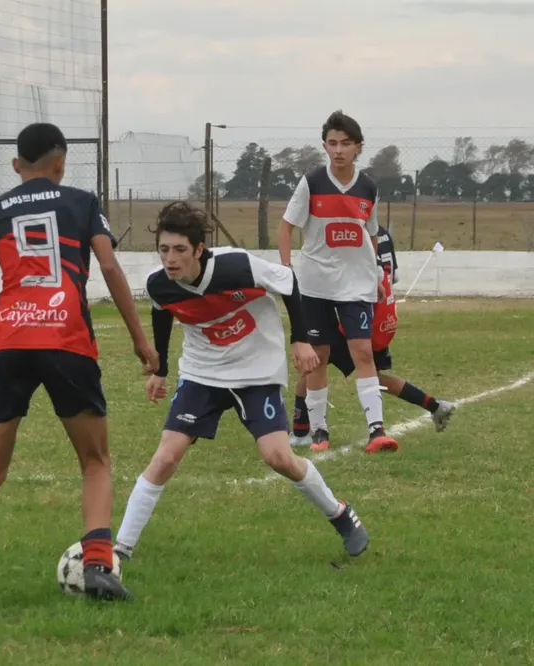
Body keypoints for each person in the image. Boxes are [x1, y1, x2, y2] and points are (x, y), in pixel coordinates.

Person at [0, 123, 159, 607]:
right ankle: (98, 567)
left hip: (10, 343)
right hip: (66, 339)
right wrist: (140, 342)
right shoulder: (82, 202)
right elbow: (109, 268)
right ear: (61, 164)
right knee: (95, 461)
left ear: (15, 165)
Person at [113, 201, 369, 564]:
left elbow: (289, 282)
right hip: (202, 374)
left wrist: (301, 339)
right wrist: (162, 371)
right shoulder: (159, 285)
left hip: (257, 372)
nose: (170, 258)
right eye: (164, 250)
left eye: (180, 250)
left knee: (278, 457)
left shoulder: (236, 266)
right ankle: (120, 551)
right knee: (166, 456)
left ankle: (339, 512)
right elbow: (161, 315)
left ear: (199, 249)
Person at [277, 110, 397, 454]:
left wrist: (375, 274)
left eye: (346, 143)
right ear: (324, 146)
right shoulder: (312, 181)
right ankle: (318, 431)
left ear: (358, 147)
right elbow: (287, 225)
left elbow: (371, 235)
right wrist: (286, 268)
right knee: (318, 355)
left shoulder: (368, 187)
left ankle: (376, 429)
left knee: (362, 351)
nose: (338, 150)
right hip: (315, 285)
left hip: (356, 285)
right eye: (332, 143)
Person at [290, 224, 455, 448]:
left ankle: (300, 433)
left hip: (353, 309)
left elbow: (337, 273)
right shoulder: (382, 232)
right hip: (378, 311)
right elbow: (390, 275)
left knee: (312, 362)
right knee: (372, 377)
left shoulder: (344, 227)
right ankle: (435, 406)